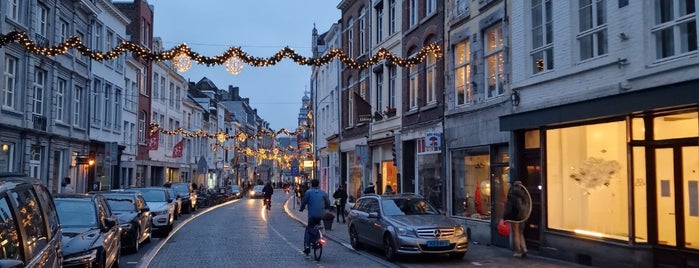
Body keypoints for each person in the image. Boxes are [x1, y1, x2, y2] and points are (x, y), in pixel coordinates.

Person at [299, 179, 331, 255]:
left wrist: (301, 208)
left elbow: (304, 202)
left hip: (312, 215)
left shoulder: (308, 192)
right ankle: (319, 237)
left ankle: (307, 246)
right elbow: (328, 203)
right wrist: (327, 208)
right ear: (318, 184)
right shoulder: (323, 192)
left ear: (311, 184)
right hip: (322, 214)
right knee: (318, 225)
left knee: (308, 229)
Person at [504, 180, 530, 258]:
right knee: (521, 233)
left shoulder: (511, 194)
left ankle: (518, 251)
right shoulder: (524, 194)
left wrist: (505, 217)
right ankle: (524, 248)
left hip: (514, 217)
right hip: (523, 216)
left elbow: (509, 207)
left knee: (515, 234)